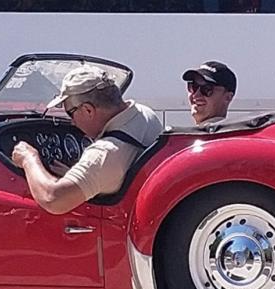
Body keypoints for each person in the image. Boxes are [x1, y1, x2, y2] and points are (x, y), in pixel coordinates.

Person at [12, 65, 163, 214]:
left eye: (70, 113)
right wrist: (78, 176)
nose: (73, 122)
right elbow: (106, 171)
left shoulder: (104, 154)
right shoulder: (145, 114)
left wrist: (28, 158)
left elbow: (53, 199)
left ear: (88, 110)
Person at [181, 61, 236, 126]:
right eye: (193, 87)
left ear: (228, 97)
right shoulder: (179, 132)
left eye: (207, 89)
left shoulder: (235, 132)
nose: (196, 95)